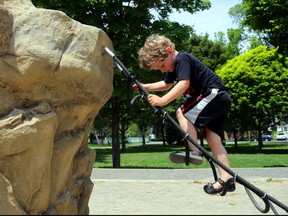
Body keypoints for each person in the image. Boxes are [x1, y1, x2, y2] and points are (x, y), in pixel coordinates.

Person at [133, 34, 235, 195]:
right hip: (218, 99)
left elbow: (184, 83)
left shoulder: (182, 59)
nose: (163, 70)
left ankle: (194, 152)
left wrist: (163, 101)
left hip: (213, 94)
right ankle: (226, 178)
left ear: (169, 51)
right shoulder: (172, 66)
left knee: (182, 112)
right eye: (159, 69)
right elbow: (166, 84)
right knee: (212, 137)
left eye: (162, 65)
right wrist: (146, 87)